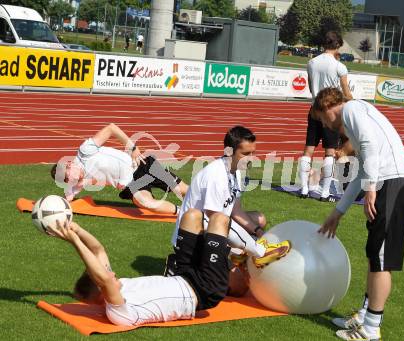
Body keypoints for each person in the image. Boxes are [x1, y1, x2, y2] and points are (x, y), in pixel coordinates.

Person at [312, 88, 404, 341]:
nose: (324, 125)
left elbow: (370, 148)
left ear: (328, 107)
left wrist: (372, 187)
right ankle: (364, 316)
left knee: (381, 258)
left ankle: (371, 327)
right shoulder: (354, 118)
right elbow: (361, 172)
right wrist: (338, 212)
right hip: (388, 183)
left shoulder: (352, 109)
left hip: (393, 183)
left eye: (322, 118)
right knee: (373, 253)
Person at [47, 208, 233, 326]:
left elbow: (98, 251)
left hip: (182, 275)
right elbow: (103, 279)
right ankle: (244, 250)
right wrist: (74, 242)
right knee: (219, 219)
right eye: (109, 275)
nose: (114, 273)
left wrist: (77, 231)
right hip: (203, 290)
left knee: (191, 215)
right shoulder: (118, 313)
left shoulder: (116, 284)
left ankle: (220, 249)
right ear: (101, 292)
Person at [169, 126, 291, 270]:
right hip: (193, 239)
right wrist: (259, 249)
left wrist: (259, 232)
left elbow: (236, 210)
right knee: (239, 286)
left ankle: (239, 253)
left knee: (259, 218)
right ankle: (257, 252)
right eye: (245, 153)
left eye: (253, 153)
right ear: (229, 151)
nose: (251, 158)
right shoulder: (215, 175)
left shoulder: (236, 171)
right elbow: (216, 220)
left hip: (214, 228)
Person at [51, 123, 188, 214]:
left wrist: (132, 147)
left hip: (140, 165)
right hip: (133, 184)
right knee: (145, 202)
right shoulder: (74, 181)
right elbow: (67, 197)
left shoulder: (85, 151)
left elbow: (111, 128)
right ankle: (182, 212)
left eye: (69, 176)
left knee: (182, 190)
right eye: (67, 180)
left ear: (69, 164)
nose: (72, 180)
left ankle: (207, 204)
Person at [298, 31, 353, 201]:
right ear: (338, 45)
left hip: (315, 109)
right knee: (329, 152)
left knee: (308, 150)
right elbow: (346, 93)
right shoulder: (339, 66)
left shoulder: (312, 62)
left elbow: (310, 87)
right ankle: (324, 192)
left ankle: (304, 189)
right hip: (331, 113)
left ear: (323, 44)